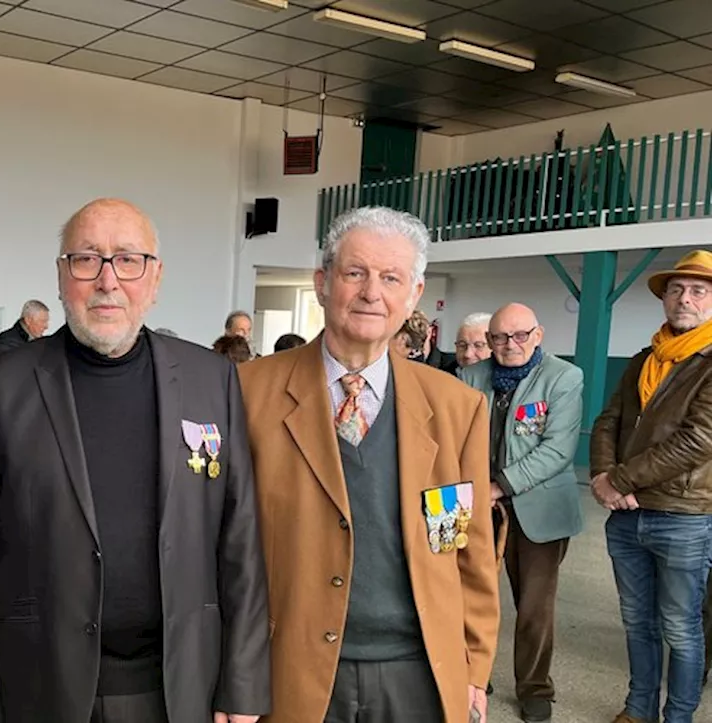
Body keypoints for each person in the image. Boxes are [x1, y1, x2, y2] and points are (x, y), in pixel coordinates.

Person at [0, 198, 270, 723]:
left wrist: (243, 684)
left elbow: (240, 541)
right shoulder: (0, 387)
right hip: (43, 689)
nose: (109, 281)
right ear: (62, 277)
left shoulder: (212, 380)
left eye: (129, 260)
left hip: (181, 690)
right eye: (87, 259)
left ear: (154, 279)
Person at [238, 206, 499, 723]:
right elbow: (223, 552)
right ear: (322, 281)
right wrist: (236, 677)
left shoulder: (457, 408)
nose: (371, 292)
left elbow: (466, 548)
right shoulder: (248, 393)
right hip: (291, 667)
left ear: (414, 294)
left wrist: (473, 668)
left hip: (418, 671)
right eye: (354, 273)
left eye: (390, 278)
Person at [590, 249, 712, 723]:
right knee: (637, 622)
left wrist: (620, 479)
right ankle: (638, 708)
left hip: (682, 516)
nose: (685, 299)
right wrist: (602, 478)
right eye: (677, 290)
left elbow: (698, 439)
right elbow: (608, 421)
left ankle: (677, 716)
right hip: (626, 515)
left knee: (681, 628)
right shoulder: (645, 359)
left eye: (699, 290)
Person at [459, 303, 584, 723]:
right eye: (498, 338)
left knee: (533, 605)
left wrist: (499, 485)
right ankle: (476, 673)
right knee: (474, 595)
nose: (509, 345)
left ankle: (534, 686)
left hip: (538, 508)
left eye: (519, 336)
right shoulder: (471, 376)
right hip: (480, 507)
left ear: (538, 334)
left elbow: (557, 451)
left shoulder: (564, 378)